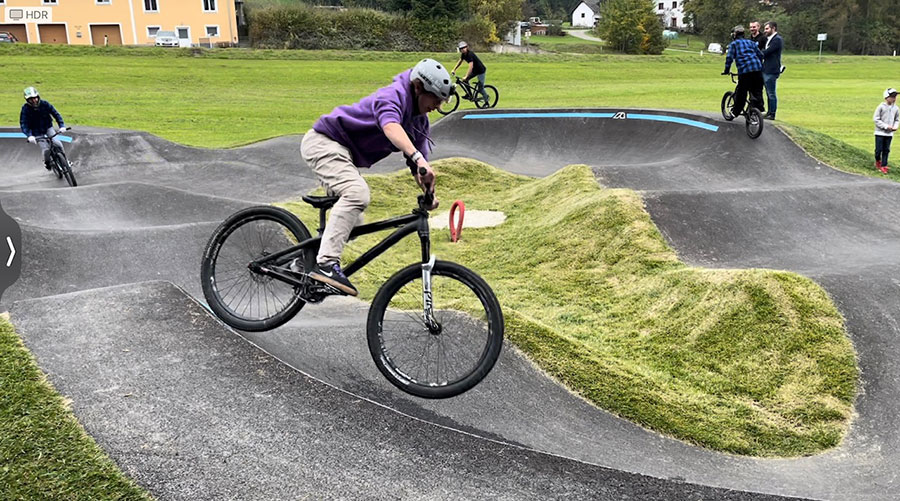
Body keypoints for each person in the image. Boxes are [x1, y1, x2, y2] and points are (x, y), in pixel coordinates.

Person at [298, 58, 451, 296]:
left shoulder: (419, 121)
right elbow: (391, 126)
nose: (438, 105)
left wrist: (429, 192)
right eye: (435, 98)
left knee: (353, 221)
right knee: (357, 194)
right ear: (419, 87)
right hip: (324, 143)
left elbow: (418, 165)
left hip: (343, 153)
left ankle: (302, 266)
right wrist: (418, 157)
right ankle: (326, 265)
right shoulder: (392, 95)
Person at [19, 86, 67, 170]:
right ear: (27, 100)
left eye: (35, 98)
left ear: (38, 97)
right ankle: (47, 163)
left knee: (58, 143)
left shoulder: (45, 104)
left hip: (47, 127)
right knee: (46, 149)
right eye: (31, 99)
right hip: (36, 132)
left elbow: (55, 114)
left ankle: (65, 161)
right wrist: (29, 135)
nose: (34, 101)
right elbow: (24, 124)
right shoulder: (25, 109)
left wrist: (62, 126)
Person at [722, 25, 765, 118]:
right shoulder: (751, 42)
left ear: (734, 35)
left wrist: (726, 70)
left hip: (745, 71)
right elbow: (760, 55)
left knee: (742, 92)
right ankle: (759, 109)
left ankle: (736, 111)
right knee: (757, 90)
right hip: (757, 69)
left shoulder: (733, 45)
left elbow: (729, 58)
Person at [761, 21, 784, 120]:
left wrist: (758, 53)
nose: (765, 31)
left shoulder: (777, 40)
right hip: (766, 68)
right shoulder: (768, 39)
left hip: (772, 70)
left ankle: (772, 113)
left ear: (773, 28)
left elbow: (767, 52)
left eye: (767, 29)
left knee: (771, 93)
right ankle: (769, 112)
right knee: (768, 92)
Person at [873, 87, 899, 174]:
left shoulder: (896, 108)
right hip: (879, 132)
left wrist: (895, 126)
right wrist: (885, 126)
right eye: (892, 97)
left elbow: (897, 119)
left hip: (889, 134)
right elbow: (876, 119)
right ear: (886, 97)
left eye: (895, 97)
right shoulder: (881, 107)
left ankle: (884, 165)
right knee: (878, 150)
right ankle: (878, 160)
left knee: (886, 150)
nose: (894, 99)